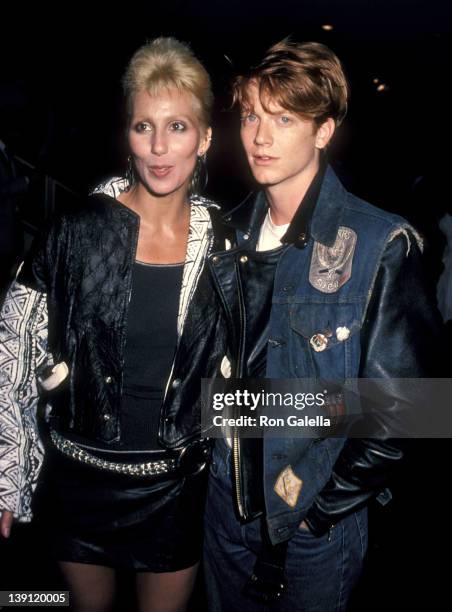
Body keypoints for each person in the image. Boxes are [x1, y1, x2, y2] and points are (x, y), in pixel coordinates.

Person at [204, 39, 441, 611]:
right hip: (221, 513)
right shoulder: (222, 235)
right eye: (253, 115)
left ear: (324, 130)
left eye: (284, 118)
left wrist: (318, 510)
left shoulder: (378, 244)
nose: (260, 136)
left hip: (314, 531)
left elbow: (410, 408)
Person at [0, 37, 226, 612]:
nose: (158, 146)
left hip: (175, 487)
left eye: (177, 127)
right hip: (79, 482)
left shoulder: (230, 247)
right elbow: (13, 352)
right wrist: (9, 473)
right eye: (143, 126)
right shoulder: (74, 233)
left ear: (204, 137)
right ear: (126, 134)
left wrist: (380, 413)